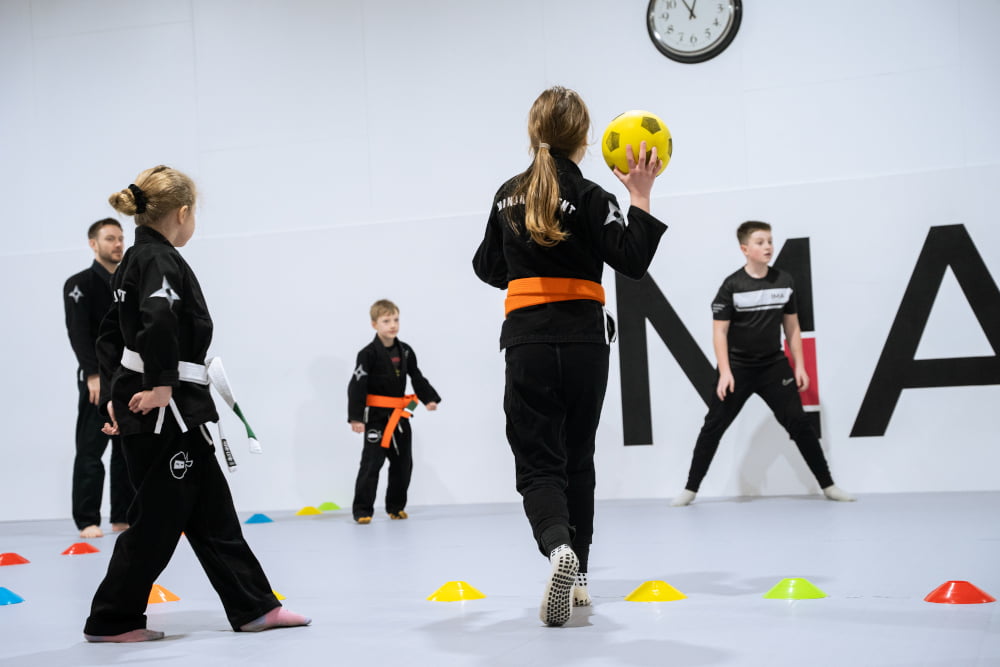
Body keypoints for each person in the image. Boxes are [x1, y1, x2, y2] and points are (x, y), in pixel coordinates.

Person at [83, 165, 309, 643]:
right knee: (157, 522)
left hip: (160, 404)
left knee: (213, 514)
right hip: (166, 411)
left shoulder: (132, 260)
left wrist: (118, 393)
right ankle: (112, 618)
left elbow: (109, 331)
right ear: (182, 213)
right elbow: (157, 319)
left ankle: (254, 607)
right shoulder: (158, 262)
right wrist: (162, 385)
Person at [472, 86, 667, 627]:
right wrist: (642, 195)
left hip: (528, 343)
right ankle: (579, 575)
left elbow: (487, 267)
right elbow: (630, 260)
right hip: (584, 345)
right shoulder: (593, 195)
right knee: (578, 457)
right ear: (585, 139)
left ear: (534, 133)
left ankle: (557, 547)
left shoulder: (508, 194)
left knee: (539, 465)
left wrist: (525, 261)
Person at [670, 221, 854, 507]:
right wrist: (725, 373)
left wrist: (800, 366)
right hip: (737, 369)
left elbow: (792, 328)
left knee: (800, 424)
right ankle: (690, 489)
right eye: (760, 242)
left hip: (774, 367)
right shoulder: (731, 286)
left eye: (769, 240)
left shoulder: (784, 281)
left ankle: (828, 486)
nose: (768, 246)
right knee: (713, 426)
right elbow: (719, 331)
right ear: (745, 249)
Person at [63, 219, 135, 539]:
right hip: (97, 380)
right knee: (91, 450)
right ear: (94, 244)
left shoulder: (129, 283)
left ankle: (122, 516)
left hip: (128, 379)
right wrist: (92, 374)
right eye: (110, 239)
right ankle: (87, 519)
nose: (118, 244)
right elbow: (78, 333)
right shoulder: (78, 284)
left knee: (126, 451)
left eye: (120, 238)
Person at [348, 300, 441, 524]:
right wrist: (356, 417)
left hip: (400, 417)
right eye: (386, 321)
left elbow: (416, 377)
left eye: (396, 320)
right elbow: (357, 385)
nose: (392, 325)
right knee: (371, 463)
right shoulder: (367, 354)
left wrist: (428, 397)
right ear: (374, 325)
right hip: (376, 417)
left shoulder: (406, 351)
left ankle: (396, 507)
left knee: (403, 463)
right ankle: (362, 510)